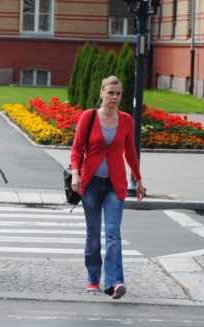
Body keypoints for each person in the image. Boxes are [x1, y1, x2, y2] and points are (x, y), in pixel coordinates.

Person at [70, 75, 145, 300]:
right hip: (90, 183)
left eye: (118, 94)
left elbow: (130, 152)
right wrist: (75, 174)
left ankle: (114, 283)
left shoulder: (126, 120)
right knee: (93, 234)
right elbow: (76, 149)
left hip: (115, 184)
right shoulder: (88, 117)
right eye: (110, 92)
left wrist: (139, 179)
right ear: (101, 93)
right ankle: (93, 277)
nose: (114, 97)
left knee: (113, 234)